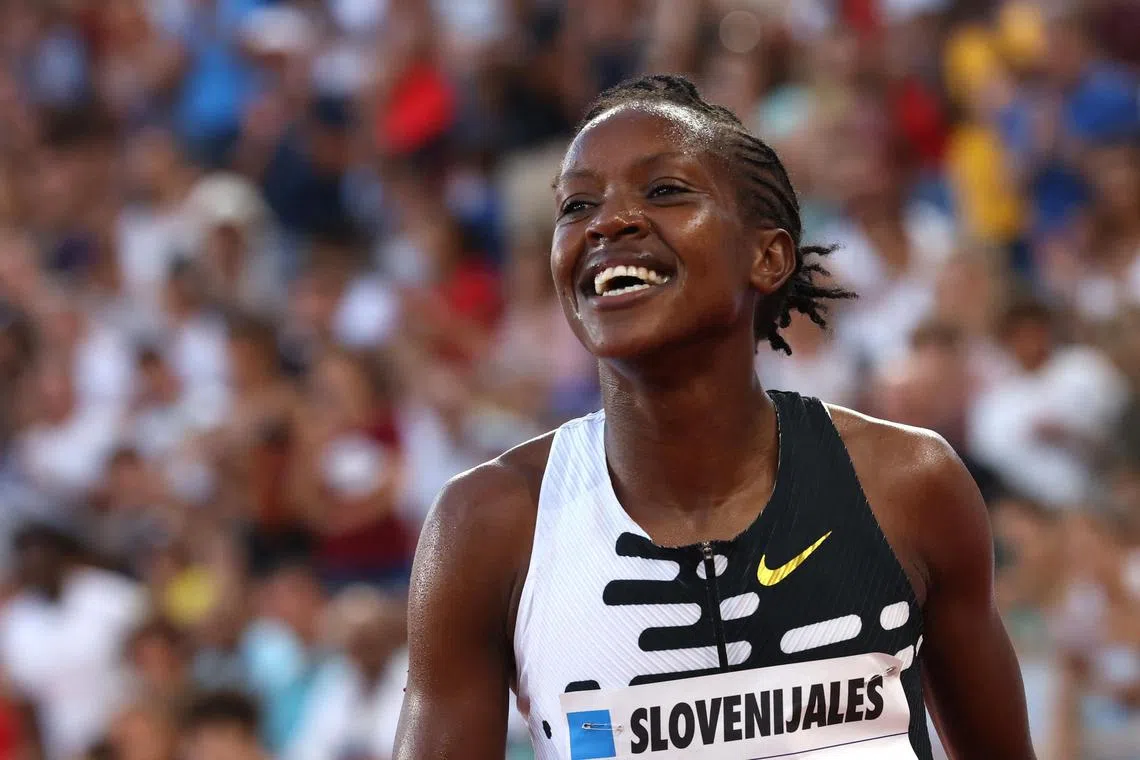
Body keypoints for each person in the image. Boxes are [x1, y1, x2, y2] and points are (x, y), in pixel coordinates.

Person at [395, 75, 1036, 760]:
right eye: (578, 205)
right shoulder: (486, 526)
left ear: (768, 257)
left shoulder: (909, 484)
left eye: (664, 190)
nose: (608, 222)